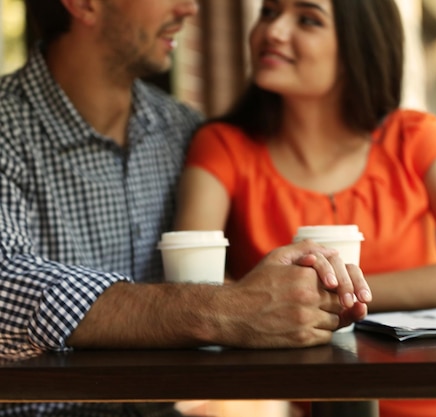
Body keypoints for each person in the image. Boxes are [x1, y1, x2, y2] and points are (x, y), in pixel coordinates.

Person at [0, 0, 371, 416]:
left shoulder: (186, 132)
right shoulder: (6, 127)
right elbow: (4, 281)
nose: (190, 8)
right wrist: (223, 310)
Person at [174, 0, 436, 416]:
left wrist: (330, 295)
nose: (273, 31)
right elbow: (195, 286)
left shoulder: (414, 137)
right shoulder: (222, 147)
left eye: (308, 20)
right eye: (269, 12)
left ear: (357, 46)